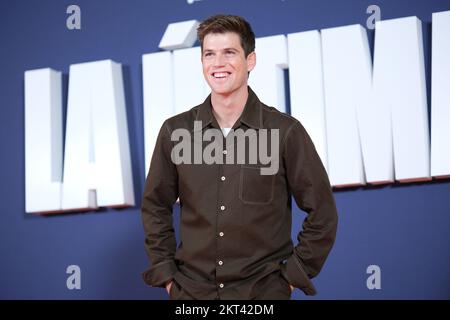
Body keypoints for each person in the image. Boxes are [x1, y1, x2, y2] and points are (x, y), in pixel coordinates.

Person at [141, 14, 338, 300]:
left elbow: (323, 213)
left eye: (229, 53)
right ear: (202, 63)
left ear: (251, 60)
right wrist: (168, 277)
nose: (217, 63)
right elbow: (155, 207)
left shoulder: (285, 132)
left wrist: (289, 280)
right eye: (209, 54)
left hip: (261, 295)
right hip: (191, 295)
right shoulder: (176, 131)